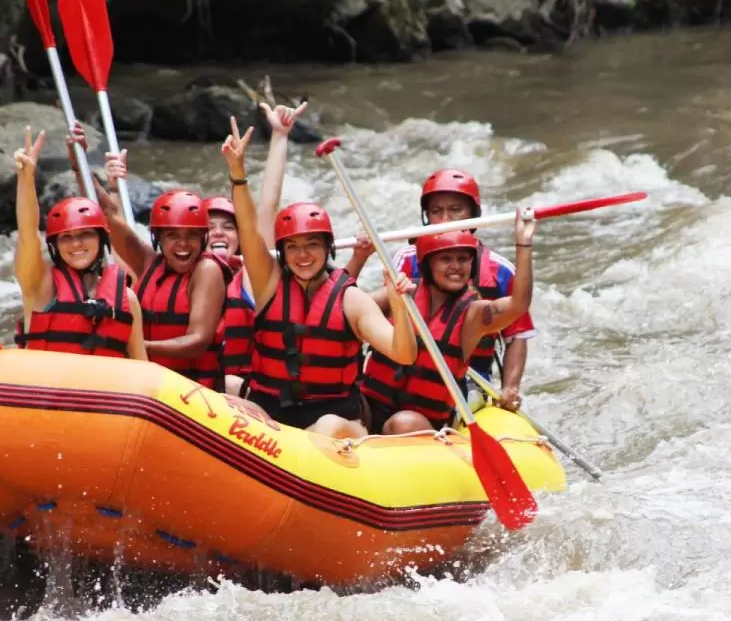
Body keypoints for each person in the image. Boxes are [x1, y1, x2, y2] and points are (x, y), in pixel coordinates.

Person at [221, 116, 418, 439]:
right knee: (227, 392)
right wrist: (237, 173)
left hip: (335, 420)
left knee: (325, 427)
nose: (302, 255)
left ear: (328, 248)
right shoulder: (268, 283)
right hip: (273, 413)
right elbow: (248, 227)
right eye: (293, 247)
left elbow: (404, 353)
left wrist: (398, 306)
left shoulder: (351, 300)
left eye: (312, 245)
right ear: (282, 253)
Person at [344, 168, 536, 413]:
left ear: (473, 214)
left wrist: (510, 387)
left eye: (456, 209)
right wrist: (359, 257)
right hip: (398, 370)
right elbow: (351, 310)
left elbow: (516, 333)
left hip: (466, 377)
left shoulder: (499, 271)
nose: (446, 220)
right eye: (437, 211)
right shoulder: (405, 260)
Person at [359, 220, 535, 435]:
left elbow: (519, 304)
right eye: (446, 259)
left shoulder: (473, 315)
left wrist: (523, 245)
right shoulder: (400, 293)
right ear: (428, 264)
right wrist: (359, 257)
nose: (456, 266)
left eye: (463, 259)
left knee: (403, 423)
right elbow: (345, 307)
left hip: (422, 423)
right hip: (373, 405)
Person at [11, 126, 146, 361]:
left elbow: (142, 366)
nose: (76, 244)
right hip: (46, 393)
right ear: (54, 245)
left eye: (86, 234)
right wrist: (26, 180)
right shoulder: (41, 285)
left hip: (102, 394)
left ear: (102, 238)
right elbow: (27, 233)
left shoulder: (127, 298)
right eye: (67, 237)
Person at [93, 159, 228, 390]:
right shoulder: (147, 261)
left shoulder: (207, 270)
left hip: (193, 390)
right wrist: (79, 165)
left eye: (192, 235)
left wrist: (136, 346)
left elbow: (198, 341)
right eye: (172, 235)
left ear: (204, 238)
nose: (183, 244)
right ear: (158, 238)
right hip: (149, 381)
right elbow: (107, 215)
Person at [214, 101, 310, 396]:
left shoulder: (251, 276)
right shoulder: (181, 275)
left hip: (250, 394)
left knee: (227, 383)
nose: (218, 233)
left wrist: (279, 137)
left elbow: (268, 206)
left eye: (228, 227)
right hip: (194, 396)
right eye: (209, 227)